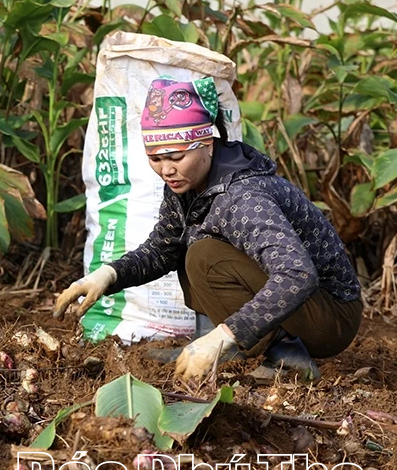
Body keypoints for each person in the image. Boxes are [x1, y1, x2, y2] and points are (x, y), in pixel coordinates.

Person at [52, 77, 363, 381]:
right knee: (190, 247)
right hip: (306, 308)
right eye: (155, 158)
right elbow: (163, 248)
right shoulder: (187, 186)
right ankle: (217, 344)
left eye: (176, 157)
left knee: (205, 255)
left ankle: (287, 356)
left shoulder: (242, 197)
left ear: (208, 145)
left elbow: (297, 275)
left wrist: (224, 337)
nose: (166, 170)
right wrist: (108, 275)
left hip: (330, 318)